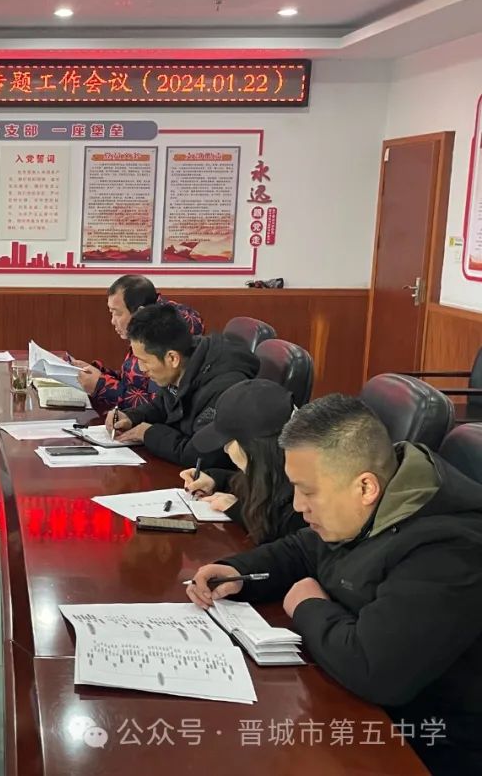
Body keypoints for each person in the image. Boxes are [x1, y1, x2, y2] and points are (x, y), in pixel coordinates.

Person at [186, 395, 482, 775]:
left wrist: (307, 606)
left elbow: (375, 670)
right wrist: (236, 572)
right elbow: (304, 548)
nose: (298, 505)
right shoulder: (374, 498)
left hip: (424, 743)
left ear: (365, 487)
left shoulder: (450, 548)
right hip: (356, 707)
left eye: (308, 491)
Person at [105, 303, 258, 467]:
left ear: (172, 358)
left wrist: (149, 434)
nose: (142, 369)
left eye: (145, 361)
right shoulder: (185, 362)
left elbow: (202, 455)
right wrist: (132, 417)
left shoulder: (224, 387)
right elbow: (163, 406)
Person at [179, 378, 306, 543]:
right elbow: (263, 482)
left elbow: (289, 539)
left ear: (254, 448)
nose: (225, 449)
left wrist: (239, 511)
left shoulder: (306, 493)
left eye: (228, 442)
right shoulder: (282, 467)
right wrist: (216, 480)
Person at [74, 275, 203, 412]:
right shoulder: (148, 323)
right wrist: (99, 375)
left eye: (117, 313)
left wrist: (101, 386)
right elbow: (134, 381)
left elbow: (160, 406)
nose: (112, 321)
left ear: (139, 312)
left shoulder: (164, 331)